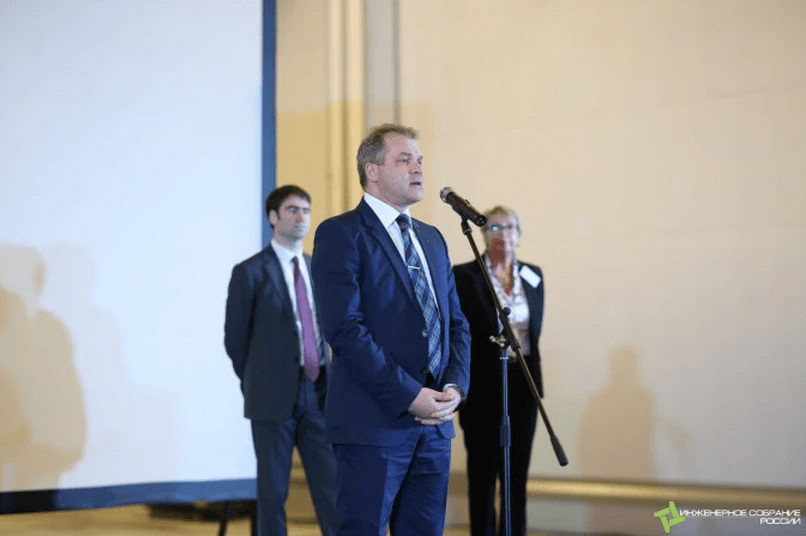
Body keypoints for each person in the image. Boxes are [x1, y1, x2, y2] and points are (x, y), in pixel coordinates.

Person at [311, 124, 471, 536]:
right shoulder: (341, 233)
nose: (418, 168)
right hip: (373, 426)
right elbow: (345, 329)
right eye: (404, 160)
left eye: (420, 160)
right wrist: (409, 396)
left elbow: (456, 324)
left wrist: (454, 388)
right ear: (373, 171)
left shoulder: (432, 239)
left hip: (435, 426)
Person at [224, 185, 339, 536]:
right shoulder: (250, 272)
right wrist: (257, 380)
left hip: (319, 393)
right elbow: (235, 340)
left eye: (306, 210)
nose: (301, 216)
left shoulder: (317, 268)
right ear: (273, 217)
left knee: (332, 489)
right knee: (273, 494)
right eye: (292, 209)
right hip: (271, 397)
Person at [453, 206, 545, 536]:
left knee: (517, 472)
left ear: (519, 234)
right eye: (493, 228)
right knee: (482, 473)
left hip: (524, 384)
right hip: (482, 384)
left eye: (508, 227)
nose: (502, 234)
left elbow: (534, 329)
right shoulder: (464, 275)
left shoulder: (533, 275)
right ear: (481, 234)